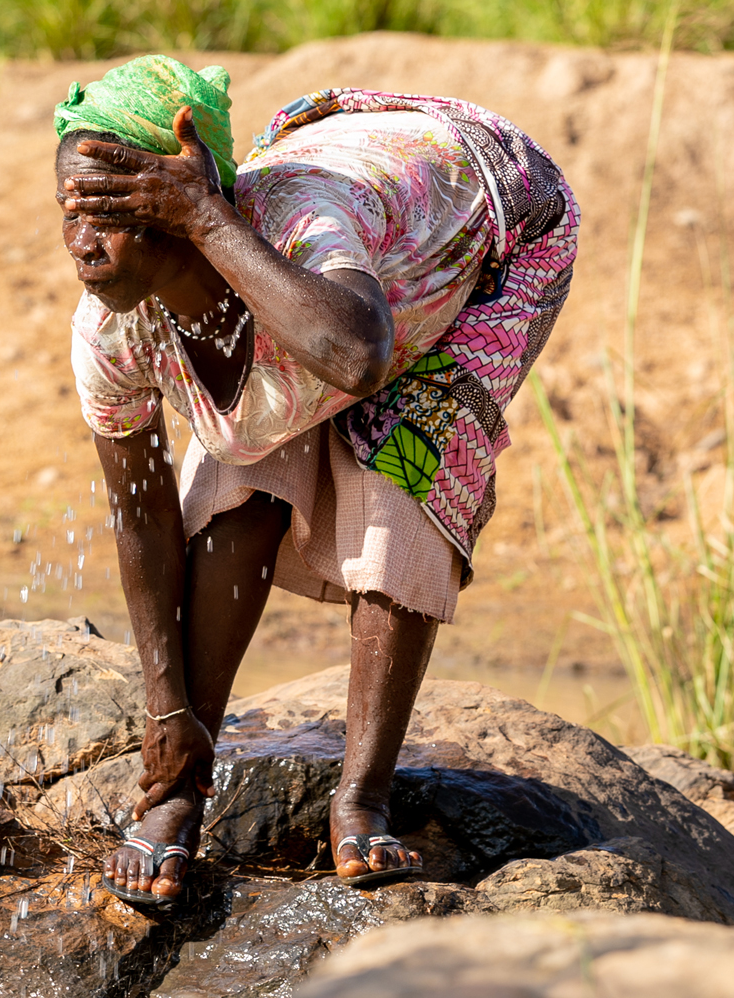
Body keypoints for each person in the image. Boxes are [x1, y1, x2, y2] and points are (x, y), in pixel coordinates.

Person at [53, 56, 577, 907]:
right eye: (69, 212)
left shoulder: (301, 228)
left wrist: (205, 219)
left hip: (485, 223)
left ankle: (363, 797)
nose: (81, 243)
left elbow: (355, 355)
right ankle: (183, 789)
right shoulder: (111, 333)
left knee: (405, 456)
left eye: (109, 212)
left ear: (183, 196)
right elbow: (143, 520)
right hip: (330, 230)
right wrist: (165, 711)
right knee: (243, 459)